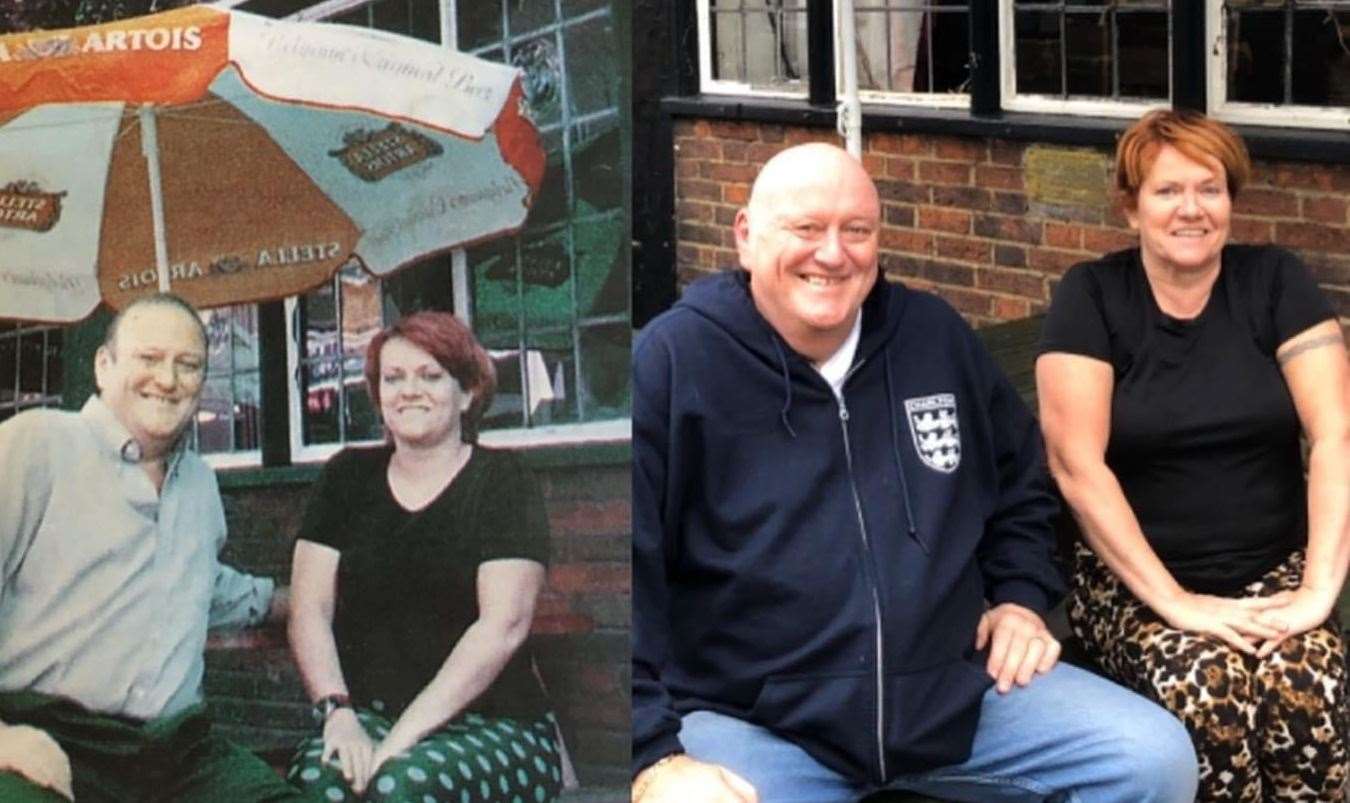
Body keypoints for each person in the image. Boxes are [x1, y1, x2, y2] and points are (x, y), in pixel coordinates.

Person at [631, 142, 1199, 803]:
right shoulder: (673, 363)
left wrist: (1019, 596)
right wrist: (653, 757)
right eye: (806, 228)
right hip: (758, 720)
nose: (833, 253)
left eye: (857, 230)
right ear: (746, 236)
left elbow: (1023, 483)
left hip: (950, 696)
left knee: (1150, 759)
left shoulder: (931, 337)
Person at [1036, 109, 1349, 802]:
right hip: (1136, 582)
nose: (1192, 209)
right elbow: (1077, 467)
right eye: (1167, 190)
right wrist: (1180, 603)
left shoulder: (1274, 281)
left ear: (1232, 199)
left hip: (1273, 566)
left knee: (1306, 676)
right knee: (1209, 686)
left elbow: (1336, 436)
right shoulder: (1091, 296)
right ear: (1131, 205)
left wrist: (1317, 592)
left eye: (1210, 189)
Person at [0, 293, 299, 802]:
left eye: (189, 365)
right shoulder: (37, 445)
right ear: (103, 364)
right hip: (46, 733)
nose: (168, 379)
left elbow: (204, 584)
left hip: (177, 752)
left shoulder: (200, 485)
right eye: (149, 358)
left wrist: (292, 602)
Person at [286, 311, 564, 803]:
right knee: (318, 782)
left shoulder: (504, 481)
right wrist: (338, 713)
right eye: (393, 378)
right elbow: (309, 609)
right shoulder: (346, 477)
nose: (409, 390)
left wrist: (397, 742)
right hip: (365, 713)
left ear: (467, 392)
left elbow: (502, 627)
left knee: (400, 786)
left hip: (495, 724)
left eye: (430, 376)